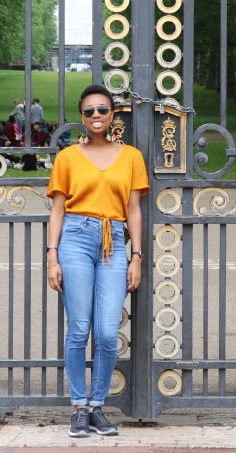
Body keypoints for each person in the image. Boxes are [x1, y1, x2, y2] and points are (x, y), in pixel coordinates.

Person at [46, 84, 149, 438]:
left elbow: (134, 209)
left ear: (112, 114)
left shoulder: (131, 157)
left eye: (102, 110)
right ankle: (79, 407)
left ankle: (97, 406)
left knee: (106, 331)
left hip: (114, 242)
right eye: (89, 111)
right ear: (82, 116)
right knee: (78, 328)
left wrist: (136, 256)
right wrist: (52, 256)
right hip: (75, 238)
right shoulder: (67, 158)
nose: (96, 116)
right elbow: (57, 210)